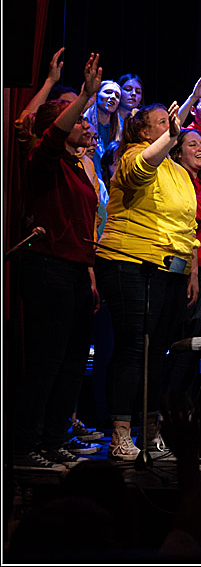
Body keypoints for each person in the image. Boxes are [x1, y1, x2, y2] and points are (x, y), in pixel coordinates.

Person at [96, 94, 201, 461]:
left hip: (170, 271)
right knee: (133, 348)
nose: (172, 128)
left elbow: (187, 225)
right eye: (163, 123)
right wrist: (174, 131)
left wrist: (191, 269)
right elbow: (141, 169)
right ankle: (120, 432)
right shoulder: (132, 156)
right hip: (130, 263)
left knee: (158, 352)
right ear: (143, 131)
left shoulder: (179, 171)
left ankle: (151, 428)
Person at [12, 54, 104, 472]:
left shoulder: (77, 166)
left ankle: (54, 438)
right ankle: (25, 444)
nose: (85, 124)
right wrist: (81, 95)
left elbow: (83, 226)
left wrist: (90, 274)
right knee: (47, 360)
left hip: (75, 269)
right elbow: (40, 133)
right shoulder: (43, 159)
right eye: (77, 120)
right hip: (48, 267)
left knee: (72, 360)